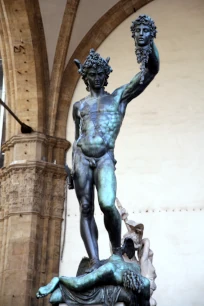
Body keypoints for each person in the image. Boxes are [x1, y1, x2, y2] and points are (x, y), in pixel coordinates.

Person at [71, 15, 159, 268]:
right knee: (86, 207)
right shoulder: (79, 106)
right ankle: (95, 260)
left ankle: (116, 250)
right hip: (81, 159)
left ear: (106, 75)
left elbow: (150, 72)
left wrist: (147, 44)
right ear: (85, 76)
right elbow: (77, 138)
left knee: (107, 204)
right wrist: (70, 168)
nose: (97, 76)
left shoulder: (118, 98)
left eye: (100, 72)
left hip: (104, 156)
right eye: (92, 73)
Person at [36, 254, 150, 306]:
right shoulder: (109, 270)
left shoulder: (139, 273)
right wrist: (60, 279)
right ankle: (59, 280)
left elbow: (145, 301)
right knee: (57, 296)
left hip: (100, 279)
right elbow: (78, 284)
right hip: (88, 281)